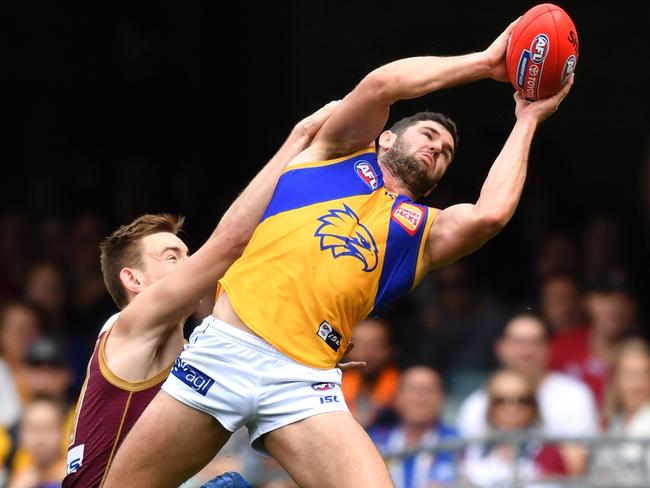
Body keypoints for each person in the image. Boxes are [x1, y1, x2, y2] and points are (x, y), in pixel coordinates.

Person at [105, 19, 575, 488]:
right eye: (428, 134)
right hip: (227, 349)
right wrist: (486, 64)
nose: (438, 146)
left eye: (447, 152)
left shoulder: (424, 232)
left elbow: (491, 214)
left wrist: (527, 119)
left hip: (305, 381)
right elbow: (381, 85)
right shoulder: (333, 152)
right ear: (386, 138)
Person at [61, 102, 339, 487]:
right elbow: (230, 242)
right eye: (171, 256)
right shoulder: (130, 322)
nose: (189, 264)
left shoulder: (200, 351)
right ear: (133, 280)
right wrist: (301, 138)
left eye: (188, 255)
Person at [457, 311, 598, 474]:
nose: (526, 351)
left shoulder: (575, 396)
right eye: (517, 342)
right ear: (500, 348)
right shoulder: (476, 404)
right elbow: (466, 468)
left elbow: (578, 468)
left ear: (549, 348)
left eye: (535, 342)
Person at [463, 369, 568, 487]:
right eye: (501, 401)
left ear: (534, 407)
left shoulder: (547, 452)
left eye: (522, 400)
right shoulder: (473, 450)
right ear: (489, 407)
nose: (512, 408)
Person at [368, 366, 458, 488]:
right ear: (397, 398)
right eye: (413, 390)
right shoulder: (374, 440)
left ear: (442, 398)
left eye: (429, 390)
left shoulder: (457, 441)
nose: (420, 397)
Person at [591, 338, 650, 486]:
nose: (636, 384)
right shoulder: (614, 422)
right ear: (615, 379)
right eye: (629, 374)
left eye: (644, 374)